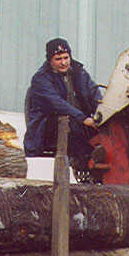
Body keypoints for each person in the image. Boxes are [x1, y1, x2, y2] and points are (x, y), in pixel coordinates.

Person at [24, 38, 103, 180]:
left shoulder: (80, 73)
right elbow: (57, 104)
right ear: (50, 60)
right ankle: (89, 162)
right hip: (49, 127)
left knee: (108, 127)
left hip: (80, 123)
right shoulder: (40, 79)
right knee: (68, 123)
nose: (63, 62)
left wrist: (101, 115)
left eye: (66, 58)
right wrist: (83, 119)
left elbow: (93, 94)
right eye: (58, 59)